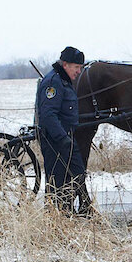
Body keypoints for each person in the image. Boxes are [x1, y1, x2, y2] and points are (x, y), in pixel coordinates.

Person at [36, 46, 88, 213]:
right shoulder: (54, 82)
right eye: (76, 67)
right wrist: (62, 139)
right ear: (65, 64)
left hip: (65, 138)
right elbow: (48, 115)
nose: (79, 71)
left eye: (80, 67)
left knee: (77, 174)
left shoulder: (63, 80)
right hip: (55, 141)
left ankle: (72, 212)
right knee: (57, 182)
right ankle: (56, 216)